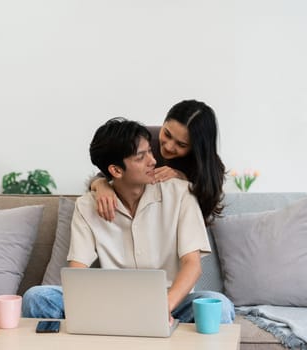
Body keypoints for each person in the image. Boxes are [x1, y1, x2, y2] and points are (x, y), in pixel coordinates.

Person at [22, 117, 234, 324]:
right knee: (37, 298)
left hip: (171, 302)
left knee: (221, 307)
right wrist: (90, 307)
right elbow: (78, 271)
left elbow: (192, 265)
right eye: (141, 157)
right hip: (109, 303)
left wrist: (164, 307)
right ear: (115, 170)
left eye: (150, 151)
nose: (153, 160)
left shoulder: (180, 193)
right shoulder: (88, 205)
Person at [90, 99, 226, 225]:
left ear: (196, 148)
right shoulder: (142, 141)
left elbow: (203, 211)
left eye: (181, 145)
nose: (168, 147)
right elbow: (109, 169)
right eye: (167, 134)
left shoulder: (208, 168)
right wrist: (101, 185)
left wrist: (183, 179)